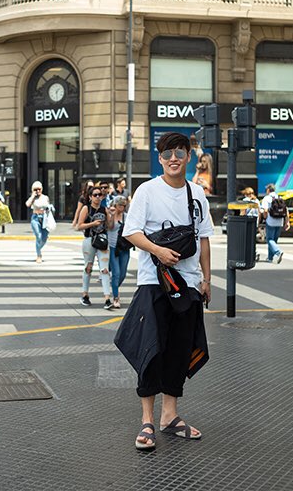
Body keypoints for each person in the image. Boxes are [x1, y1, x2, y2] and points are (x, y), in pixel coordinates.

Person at [115, 131, 213, 451]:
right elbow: (131, 231)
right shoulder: (147, 191)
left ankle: (169, 416)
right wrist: (157, 251)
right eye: (167, 153)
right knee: (151, 351)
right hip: (154, 282)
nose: (174, 158)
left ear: (188, 157)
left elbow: (204, 239)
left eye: (180, 153)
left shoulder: (197, 194)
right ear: (160, 159)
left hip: (187, 285)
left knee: (179, 351)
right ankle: (147, 420)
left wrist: (206, 279)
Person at [75, 185, 112, 308]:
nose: (98, 197)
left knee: (105, 270)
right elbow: (79, 226)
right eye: (95, 195)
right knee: (88, 267)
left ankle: (107, 298)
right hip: (89, 240)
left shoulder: (104, 209)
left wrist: (110, 215)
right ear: (90, 197)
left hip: (102, 240)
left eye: (100, 195)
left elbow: (110, 226)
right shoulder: (86, 208)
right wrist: (93, 224)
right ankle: (85, 295)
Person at [106, 196, 130, 310]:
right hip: (112, 247)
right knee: (116, 273)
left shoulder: (127, 216)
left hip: (124, 247)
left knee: (123, 273)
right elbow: (109, 227)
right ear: (115, 205)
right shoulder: (111, 215)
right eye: (120, 205)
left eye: (124, 205)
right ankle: (116, 297)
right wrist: (111, 215)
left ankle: (114, 286)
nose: (122, 207)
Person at [260, 183, 289, 263]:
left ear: (268, 190)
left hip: (271, 221)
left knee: (269, 239)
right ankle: (270, 258)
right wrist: (287, 222)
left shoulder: (266, 198)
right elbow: (286, 211)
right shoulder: (280, 197)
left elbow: (265, 210)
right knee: (274, 240)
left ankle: (278, 252)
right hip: (280, 221)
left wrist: (265, 217)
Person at [26, 181, 51, 263]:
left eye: (39, 189)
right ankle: (39, 255)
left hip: (44, 218)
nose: (38, 191)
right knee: (38, 236)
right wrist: (32, 196)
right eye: (35, 189)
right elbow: (27, 204)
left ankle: (38, 248)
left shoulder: (45, 197)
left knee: (44, 238)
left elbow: (48, 207)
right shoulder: (33, 198)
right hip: (35, 218)